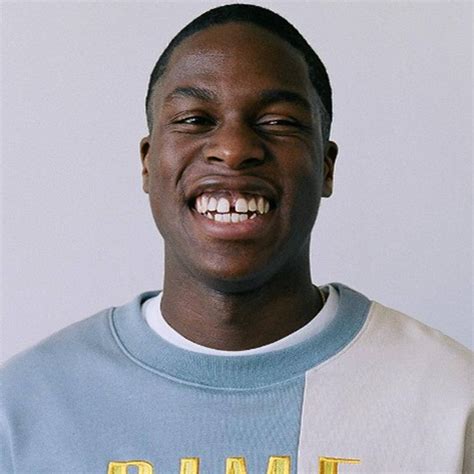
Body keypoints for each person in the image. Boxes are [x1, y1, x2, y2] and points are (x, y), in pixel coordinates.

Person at [1, 4, 471, 473]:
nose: (233, 149)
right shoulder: (23, 406)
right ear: (147, 161)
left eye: (278, 122)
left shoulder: (453, 399)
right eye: (194, 119)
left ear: (326, 166)